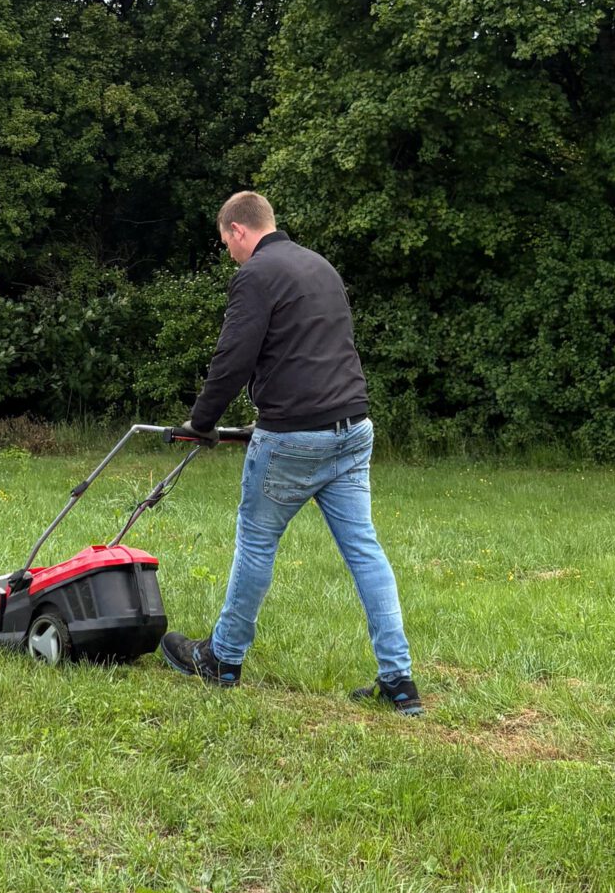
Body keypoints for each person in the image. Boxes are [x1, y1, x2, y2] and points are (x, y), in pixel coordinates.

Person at [159, 191, 422, 712]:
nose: (230, 254)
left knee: (257, 543)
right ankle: (399, 680)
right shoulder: (320, 266)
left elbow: (233, 358)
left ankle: (223, 658)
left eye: (226, 243)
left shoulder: (256, 275)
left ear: (238, 230)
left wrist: (201, 423)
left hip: (292, 438)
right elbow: (318, 351)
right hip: (353, 430)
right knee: (365, 551)